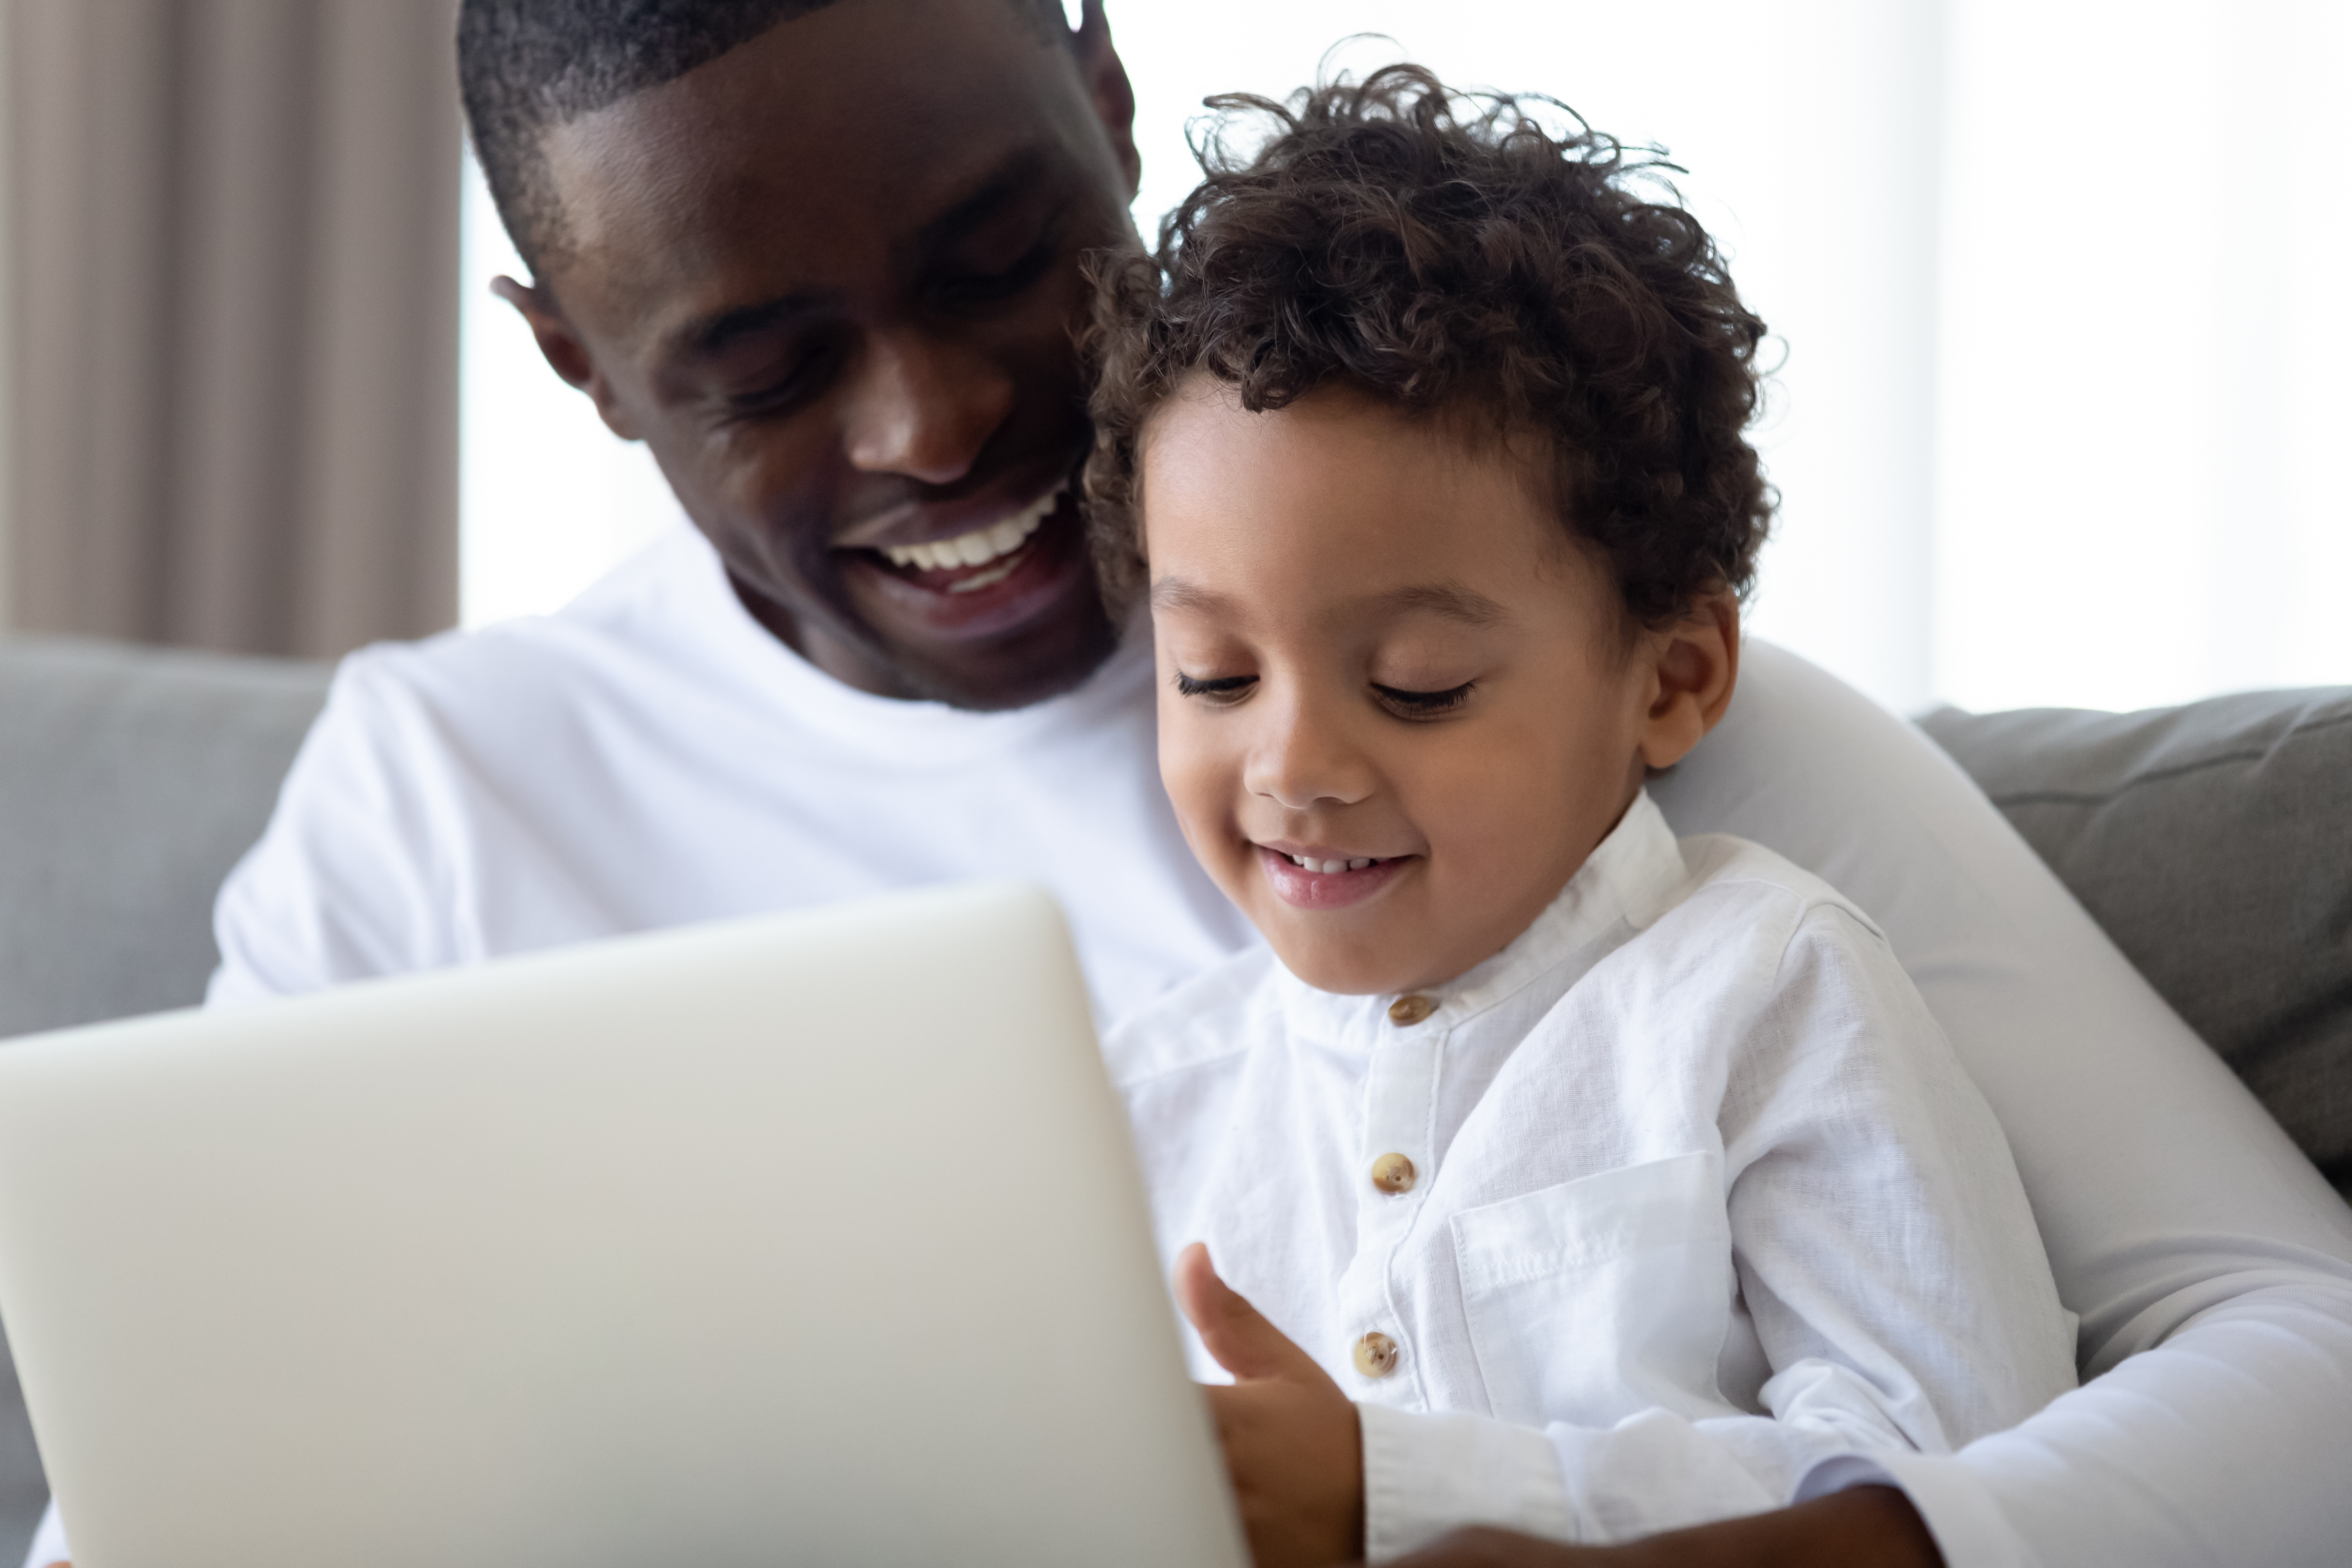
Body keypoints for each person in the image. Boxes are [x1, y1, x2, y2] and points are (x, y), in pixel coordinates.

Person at [26, 2, 2352, 1565]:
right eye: (759, 359)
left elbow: (2307, 1365)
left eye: (994, 259)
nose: (932, 422)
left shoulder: (1583, 700)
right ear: (575, 362)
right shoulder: (439, 795)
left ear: (1109, 115)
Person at [1083, 70, 2078, 1568]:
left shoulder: (1760, 985)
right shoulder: (1141, 1097)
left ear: (1671, 678)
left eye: (1418, 684)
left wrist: (1397, 1487)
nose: (1294, 763)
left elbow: (1954, 1472)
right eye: (1213, 674)